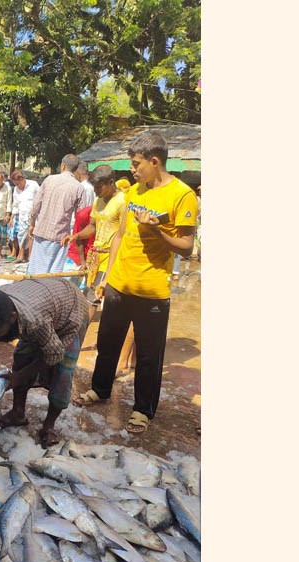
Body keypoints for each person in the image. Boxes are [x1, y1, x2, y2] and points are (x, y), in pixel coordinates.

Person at [76, 131, 198, 436]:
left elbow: (186, 247)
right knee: (108, 343)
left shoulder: (181, 195)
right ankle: (100, 389)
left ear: (154, 161)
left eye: (136, 163)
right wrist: (107, 277)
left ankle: (143, 410)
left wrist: (156, 231)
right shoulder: (134, 192)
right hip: (119, 283)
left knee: (148, 355)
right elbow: (120, 235)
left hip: (152, 289)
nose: (132, 169)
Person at [0, 279, 90, 448]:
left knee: (62, 372)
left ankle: (49, 426)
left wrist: (20, 376)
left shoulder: (35, 322)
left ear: (12, 318)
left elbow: (54, 353)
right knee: (22, 356)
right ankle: (17, 414)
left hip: (72, 312)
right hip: (48, 302)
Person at [61, 164, 127, 322]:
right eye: (94, 188)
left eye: (99, 187)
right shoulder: (98, 200)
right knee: (91, 295)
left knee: (92, 299)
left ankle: (79, 338)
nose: (95, 192)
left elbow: (123, 235)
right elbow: (93, 226)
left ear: (111, 182)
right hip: (96, 257)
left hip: (111, 258)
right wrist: (76, 236)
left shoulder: (123, 201)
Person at [26, 154, 86, 275]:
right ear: (76, 169)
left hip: (41, 232)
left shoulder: (49, 180)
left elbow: (36, 206)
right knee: (54, 274)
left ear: (63, 166)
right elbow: (81, 216)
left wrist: (32, 224)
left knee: (36, 272)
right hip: (60, 237)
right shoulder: (78, 188)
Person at [11, 170, 40, 263]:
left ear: (22, 179)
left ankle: (30, 257)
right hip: (22, 216)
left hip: (33, 216)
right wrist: (12, 217)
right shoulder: (16, 189)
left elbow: (40, 199)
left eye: (18, 183)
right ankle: (21, 255)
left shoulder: (33, 185)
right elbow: (15, 204)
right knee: (21, 236)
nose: (18, 186)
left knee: (31, 236)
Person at [0, 171, 15, 259]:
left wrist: (8, 215)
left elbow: (9, 202)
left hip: (2, 214)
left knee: (1, 235)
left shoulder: (8, 188)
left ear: (3, 180)